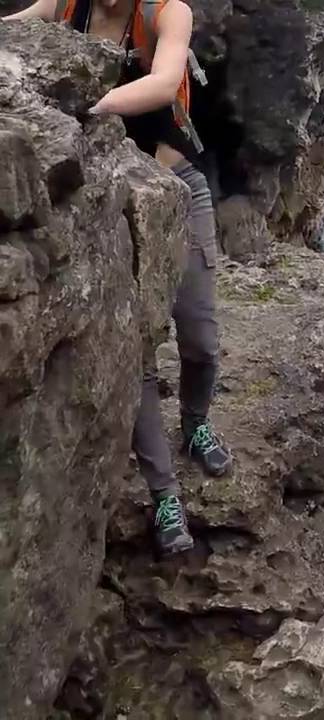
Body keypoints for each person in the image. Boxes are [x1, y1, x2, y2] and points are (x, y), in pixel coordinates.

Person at [5, 0, 233, 556]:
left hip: (177, 186)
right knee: (136, 355)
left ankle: (197, 421)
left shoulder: (165, 12)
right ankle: (164, 492)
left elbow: (163, 82)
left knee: (199, 336)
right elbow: (10, 29)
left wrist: (90, 105)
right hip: (106, 196)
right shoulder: (65, 6)